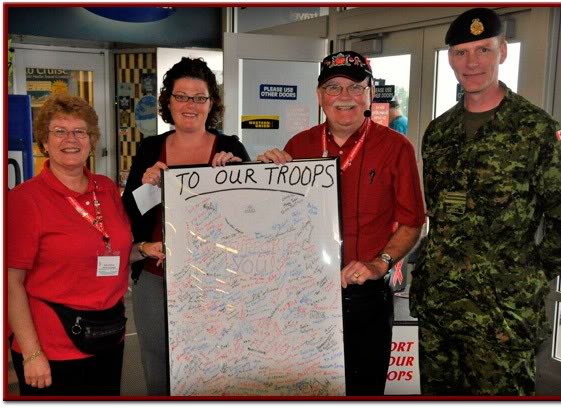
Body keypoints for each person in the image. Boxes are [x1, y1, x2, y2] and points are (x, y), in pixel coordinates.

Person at [409, 8, 561, 396]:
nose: (471, 63)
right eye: (461, 52)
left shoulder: (536, 130)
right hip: (441, 311)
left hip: (501, 319)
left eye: (484, 50)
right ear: (451, 58)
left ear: (502, 52)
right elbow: (439, 214)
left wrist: (526, 278)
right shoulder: (439, 133)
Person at [257, 51, 425, 396]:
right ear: (320, 96)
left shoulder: (396, 147)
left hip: (367, 298)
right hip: (303, 297)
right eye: (333, 87)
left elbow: (413, 222)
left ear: (369, 93)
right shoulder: (297, 146)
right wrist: (263, 178)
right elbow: (274, 223)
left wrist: (380, 264)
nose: (344, 97)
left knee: (363, 390)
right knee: (304, 390)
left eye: (355, 87)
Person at [7, 94, 164, 396]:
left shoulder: (104, 188)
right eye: (59, 131)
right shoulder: (25, 200)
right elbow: (11, 282)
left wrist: (143, 249)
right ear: (44, 141)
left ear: (91, 140)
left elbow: (111, 250)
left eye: (80, 131)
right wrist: (31, 353)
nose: (71, 139)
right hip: (53, 348)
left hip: (108, 336)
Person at [121, 57, 250, 395]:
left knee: (214, 368)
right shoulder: (150, 149)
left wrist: (235, 179)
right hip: (157, 279)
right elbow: (130, 214)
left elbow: (252, 217)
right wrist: (148, 186)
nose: (190, 105)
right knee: (158, 368)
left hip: (218, 282)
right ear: (168, 101)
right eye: (181, 96)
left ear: (212, 103)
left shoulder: (230, 149)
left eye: (199, 97)